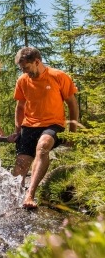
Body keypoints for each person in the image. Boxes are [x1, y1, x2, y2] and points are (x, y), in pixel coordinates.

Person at [8, 47, 79, 209]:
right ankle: (11, 200)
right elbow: (20, 107)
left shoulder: (59, 76)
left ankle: (30, 194)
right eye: (21, 69)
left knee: (43, 146)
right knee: (20, 165)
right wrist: (18, 131)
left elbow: (73, 106)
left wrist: (72, 134)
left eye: (26, 67)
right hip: (29, 126)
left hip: (53, 125)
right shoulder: (22, 80)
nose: (24, 71)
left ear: (37, 62)